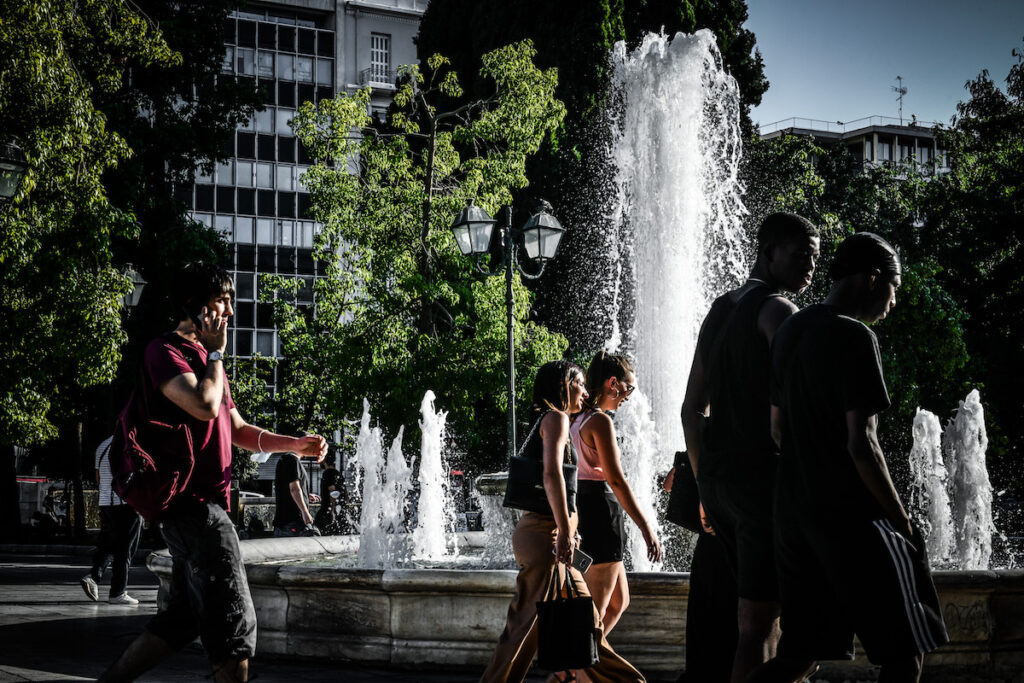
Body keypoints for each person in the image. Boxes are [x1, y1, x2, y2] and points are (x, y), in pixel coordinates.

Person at [100, 262, 328, 683]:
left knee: (179, 622)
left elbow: (237, 430)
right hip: (195, 509)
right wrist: (217, 354)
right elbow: (204, 405)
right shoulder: (164, 352)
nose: (230, 311)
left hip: (202, 509)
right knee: (234, 628)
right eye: (223, 300)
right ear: (198, 304)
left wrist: (294, 444)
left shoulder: (207, 362)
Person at [750, 233, 947, 683]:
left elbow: (777, 429)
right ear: (873, 279)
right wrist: (902, 521)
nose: (893, 303)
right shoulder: (855, 336)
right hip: (849, 517)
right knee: (905, 651)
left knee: (797, 655)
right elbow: (863, 445)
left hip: (793, 513)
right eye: (894, 289)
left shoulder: (789, 331)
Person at [680, 212, 820, 683]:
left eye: (816, 257)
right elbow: (798, 408)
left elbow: (690, 410)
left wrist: (703, 487)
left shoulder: (718, 311)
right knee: (759, 628)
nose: (810, 266)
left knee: (744, 623)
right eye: (800, 255)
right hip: (764, 485)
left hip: (720, 486)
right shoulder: (779, 312)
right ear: (768, 252)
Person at [480, 360, 645, 683]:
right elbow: (552, 473)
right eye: (579, 384)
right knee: (522, 629)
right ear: (563, 385)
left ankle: (587, 677)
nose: (585, 392)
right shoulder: (555, 417)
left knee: (584, 625)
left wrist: (568, 529)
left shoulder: (554, 419)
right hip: (546, 535)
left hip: (549, 535)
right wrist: (567, 530)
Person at [569, 352, 661, 637]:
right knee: (595, 609)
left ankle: (585, 665)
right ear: (612, 383)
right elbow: (617, 481)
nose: (628, 397)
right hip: (601, 513)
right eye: (627, 388)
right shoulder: (599, 422)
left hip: (584, 508)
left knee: (619, 602)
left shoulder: (577, 419)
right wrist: (646, 527)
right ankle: (569, 674)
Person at [81, 436, 144, 605]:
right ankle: (117, 593)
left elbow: (98, 477)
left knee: (110, 544)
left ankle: (93, 576)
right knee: (125, 550)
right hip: (126, 503)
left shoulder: (102, 445)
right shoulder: (131, 444)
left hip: (105, 503)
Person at [273, 451, 321, 536]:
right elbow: (294, 489)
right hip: (292, 521)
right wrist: (305, 513)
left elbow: (287, 487)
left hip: (285, 522)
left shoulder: (285, 459)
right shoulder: (292, 460)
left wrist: (306, 495)